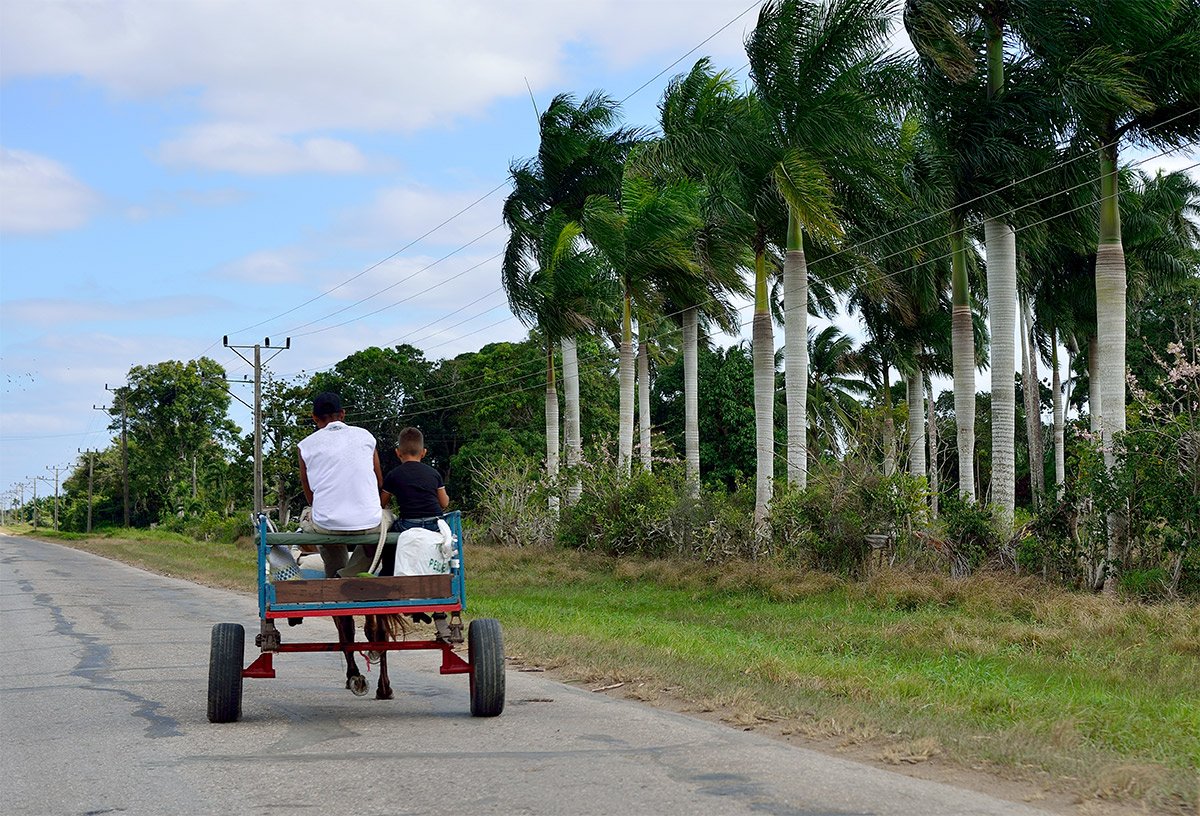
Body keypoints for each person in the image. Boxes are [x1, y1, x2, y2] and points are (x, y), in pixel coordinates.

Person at [297, 391, 387, 578]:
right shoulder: (366, 437)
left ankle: (336, 579)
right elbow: (379, 481)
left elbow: (310, 495)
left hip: (326, 523)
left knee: (311, 516)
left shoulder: (305, 446)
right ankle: (349, 574)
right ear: (343, 414)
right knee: (387, 521)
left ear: (314, 417)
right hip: (368, 522)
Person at [380, 426, 450, 534]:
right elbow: (444, 503)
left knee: (391, 528)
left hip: (408, 524)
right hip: (434, 524)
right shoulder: (434, 473)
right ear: (424, 452)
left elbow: (382, 503)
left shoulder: (393, 475)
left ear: (398, 453)